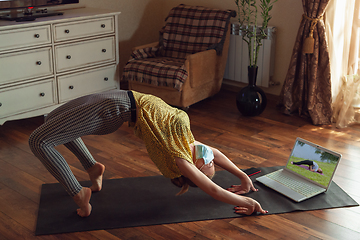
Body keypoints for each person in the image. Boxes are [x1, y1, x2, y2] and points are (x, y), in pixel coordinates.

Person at [29, 90, 267, 217]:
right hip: (122, 97)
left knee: (38, 141)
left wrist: (249, 202)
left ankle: (78, 193)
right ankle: (92, 167)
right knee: (52, 121)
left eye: (207, 163)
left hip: (115, 109)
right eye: (210, 161)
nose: (209, 156)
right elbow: (217, 153)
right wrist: (243, 176)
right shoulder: (189, 144)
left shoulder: (179, 157)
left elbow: (213, 190)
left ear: (195, 169)